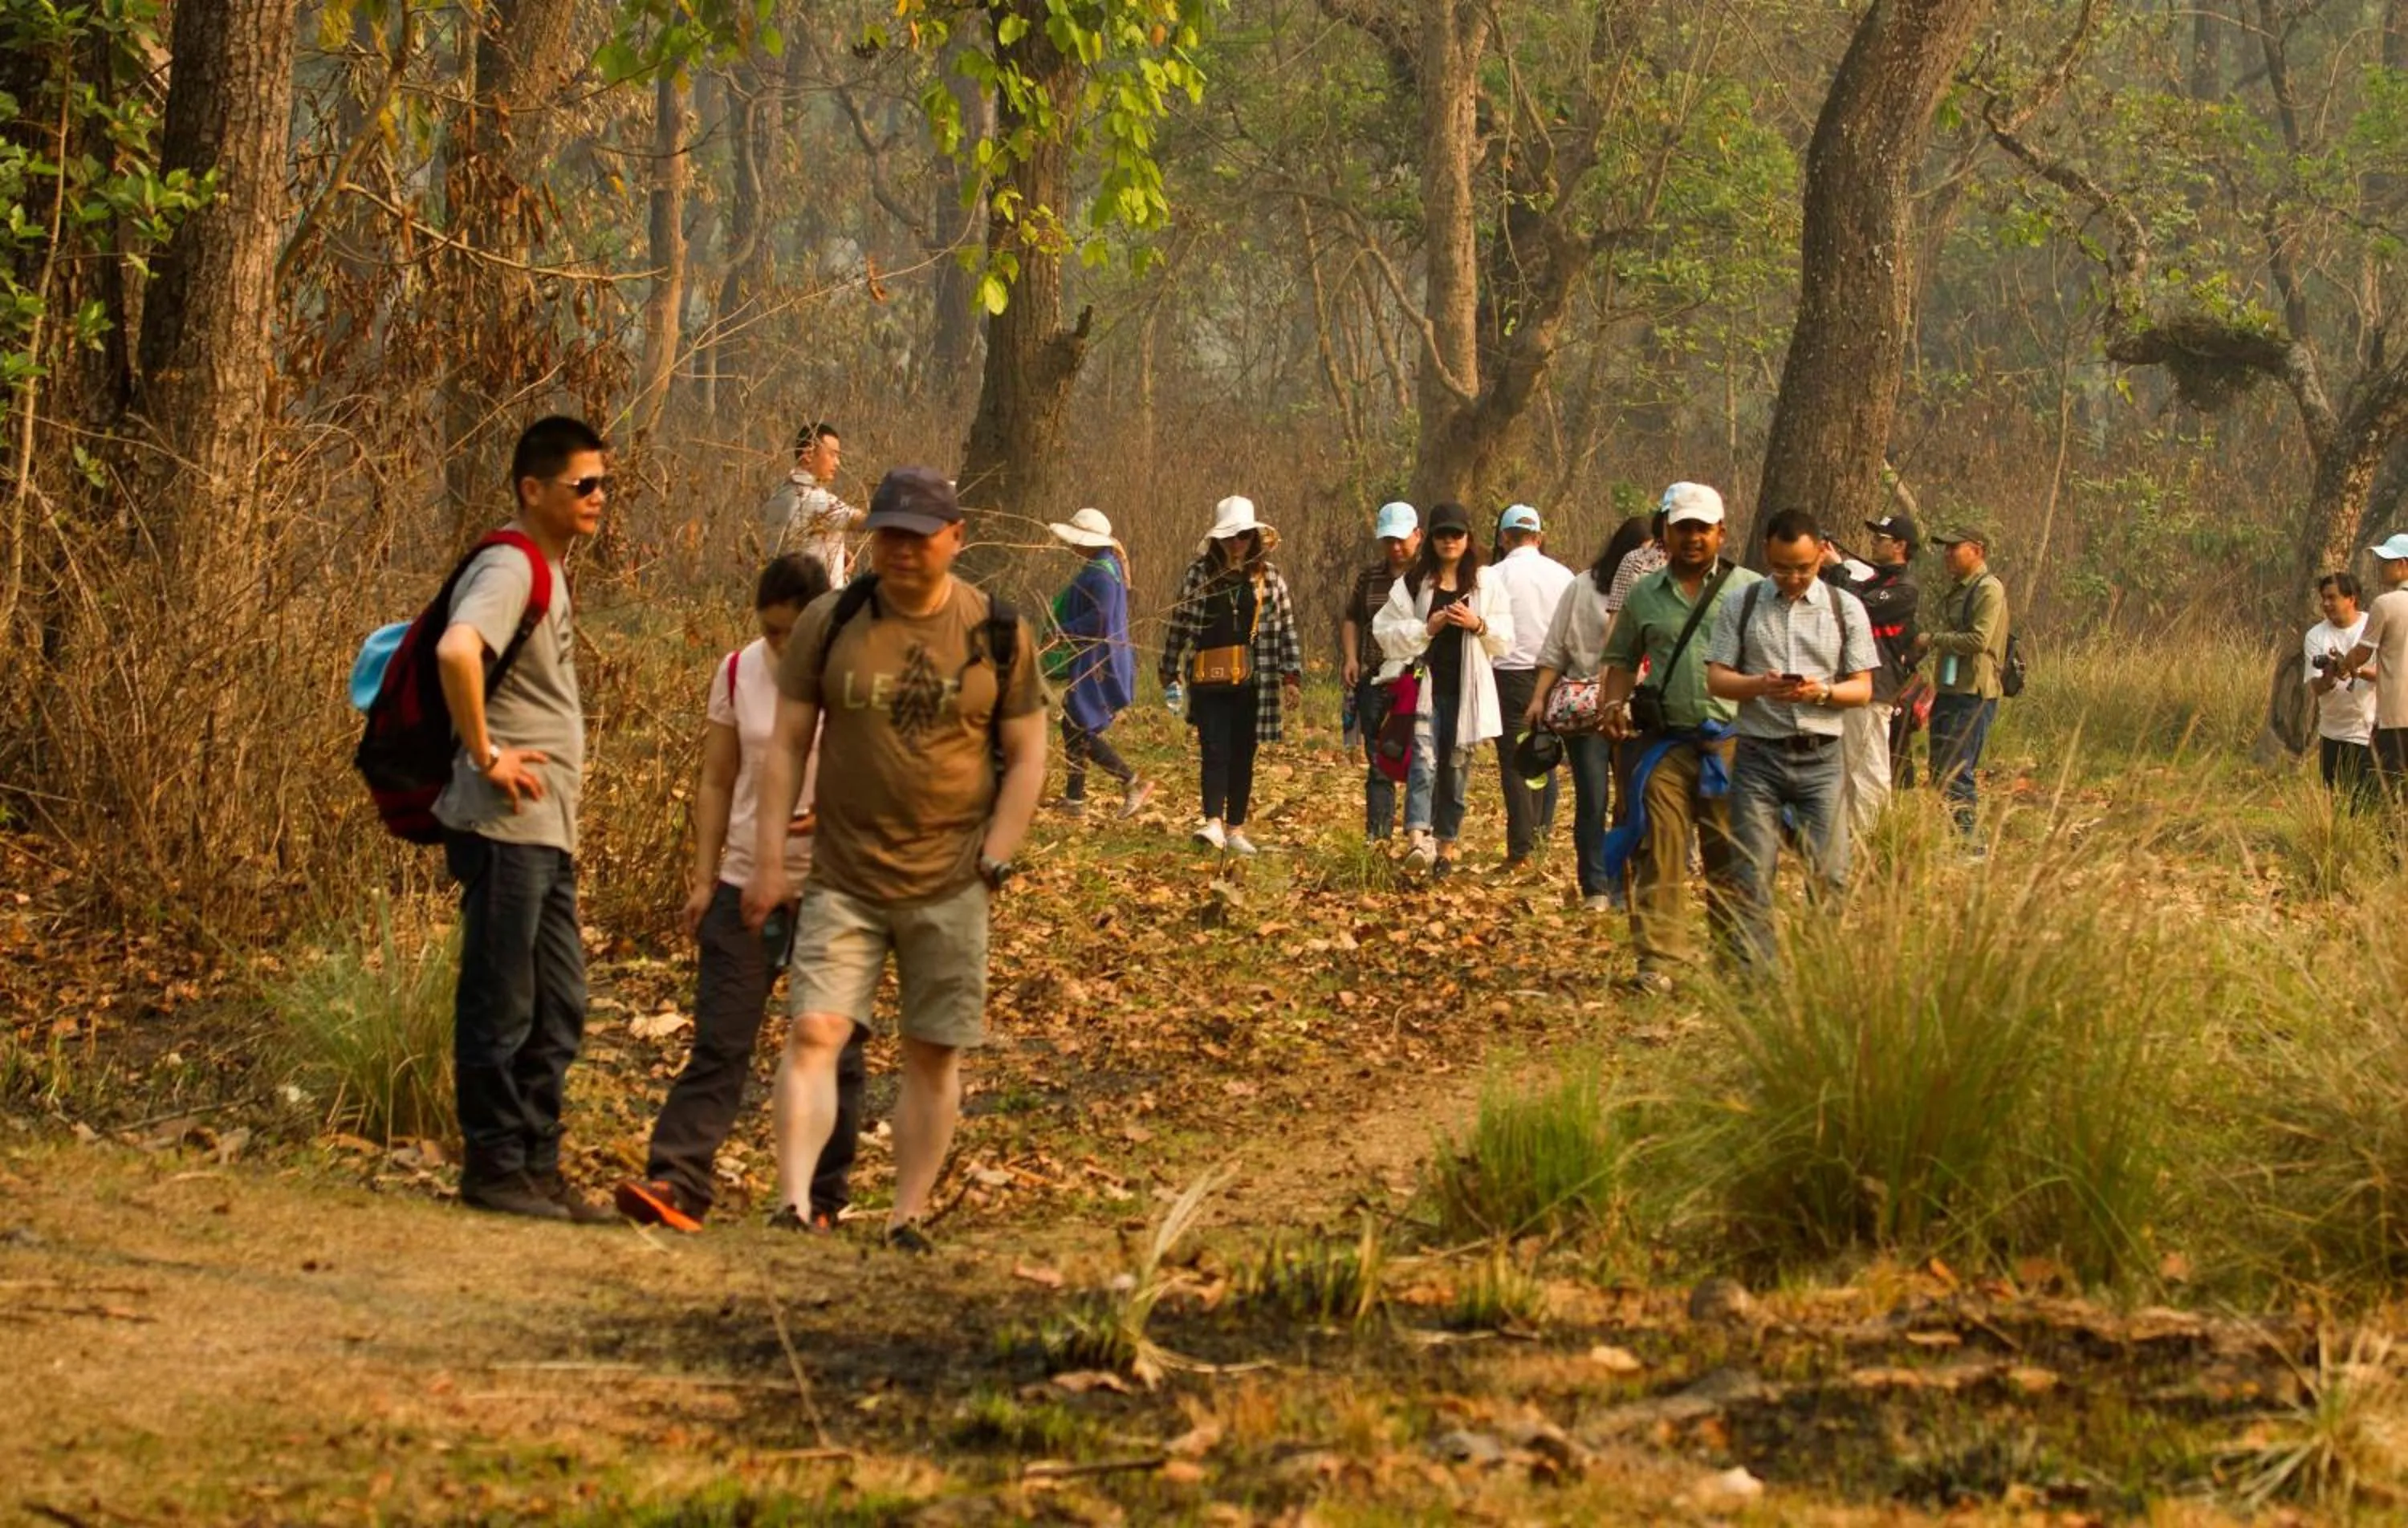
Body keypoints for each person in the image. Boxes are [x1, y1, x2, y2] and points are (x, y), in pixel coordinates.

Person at [742, 468, 1047, 1251]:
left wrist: (996, 858)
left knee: (931, 1047)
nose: (900, 548)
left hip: (951, 878)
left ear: (957, 536)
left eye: (917, 535)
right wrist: (771, 862)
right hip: (843, 871)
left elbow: (1029, 752)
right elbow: (785, 746)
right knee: (814, 1027)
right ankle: (793, 1201)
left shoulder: (999, 630)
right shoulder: (830, 619)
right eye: (887, 533)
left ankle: (906, 1214)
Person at [617, 555, 869, 1233]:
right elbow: (717, 779)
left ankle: (821, 1198)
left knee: (833, 1046)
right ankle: (678, 1177)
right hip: (743, 880)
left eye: (795, 631)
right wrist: (703, 880)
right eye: (771, 631)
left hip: (833, 884)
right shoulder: (737, 671)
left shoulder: (856, 675)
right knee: (722, 1038)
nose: (782, 645)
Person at [433, 415, 611, 1221]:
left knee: (559, 1001)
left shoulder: (547, 568)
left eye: (603, 483)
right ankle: (495, 1166)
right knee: (503, 1002)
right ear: (532, 489)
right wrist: (484, 754)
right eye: (583, 485)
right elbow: (455, 650)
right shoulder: (510, 564)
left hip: (546, 832)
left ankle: (537, 1165)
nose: (598, 497)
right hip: (506, 828)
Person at [1597, 482, 1761, 994]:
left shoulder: (1752, 590)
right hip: (1665, 743)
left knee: (1729, 854)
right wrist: (1611, 704)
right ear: (1665, 532)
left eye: (1702, 529)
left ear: (1721, 533)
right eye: (1682, 527)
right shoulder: (1644, 593)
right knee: (1661, 845)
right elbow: (1621, 660)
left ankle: (1737, 961)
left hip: (1733, 744)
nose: (1692, 538)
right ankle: (1657, 963)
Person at [1707, 510, 1877, 968]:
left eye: (1804, 567)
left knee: (1832, 875)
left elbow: (1862, 689)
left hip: (1822, 760)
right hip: (1758, 758)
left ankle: (1821, 972)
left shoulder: (1846, 609)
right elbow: (1718, 679)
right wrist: (1760, 686)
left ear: (1822, 553)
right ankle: (1755, 983)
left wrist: (1821, 691)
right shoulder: (1741, 604)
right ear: (1767, 552)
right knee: (1751, 875)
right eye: (1783, 568)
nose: (1794, 577)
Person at [1373, 501, 1515, 877]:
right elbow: (1384, 630)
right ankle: (1418, 839)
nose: (1449, 541)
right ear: (1431, 539)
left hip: (1467, 690)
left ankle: (1447, 846)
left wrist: (1477, 623)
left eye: (1457, 534)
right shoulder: (1414, 584)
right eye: (1442, 534)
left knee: (1455, 770)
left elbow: (1506, 637)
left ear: (1468, 538)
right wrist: (1427, 628)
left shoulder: (1486, 582)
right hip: (1426, 689)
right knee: (1423, 763)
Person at [1157, 496, 1305, 854]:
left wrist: (1292, 677)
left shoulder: (1269, 577)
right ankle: (1213, 822)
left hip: (1256, 679)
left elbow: (1287, 628)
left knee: (1244, 752)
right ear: (1217, 540)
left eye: (1242, 536)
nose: (1236, 543)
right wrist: (1169, 668)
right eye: (1229, 537)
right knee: (1214, 747)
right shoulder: (1199, 574)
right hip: (1208, 677)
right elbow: (1179, 624)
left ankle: (1236, 828)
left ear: (1254, 538)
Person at [1527, 529, 1625, 910]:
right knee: (1601, 799)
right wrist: (1538, 697)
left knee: (1601, 799)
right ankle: (1601, 885)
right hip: (1592, 710)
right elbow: (1556, 647)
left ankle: (1603, 885)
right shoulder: (1583, 587)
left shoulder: (1584, 585)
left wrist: (1539, 697)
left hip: (1599, 710)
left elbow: (1555, 647)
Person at [1044, 507, 1153, 819]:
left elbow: (1100, 619)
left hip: (1097, 661)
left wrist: (1064, 631)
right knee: (1074, 724)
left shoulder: (1102, 573)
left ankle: (1131, 781)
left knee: (1077, 724)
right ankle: (1075, 800)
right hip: (1095, 658)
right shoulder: (1106, 566)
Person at [1820, 512, 1921, 838]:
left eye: (1882, 538)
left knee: (1871, 769)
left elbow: (1859, 605)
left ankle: (1875, 838)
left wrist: (1836, 568)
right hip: (1854, 684)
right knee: (1848, 768)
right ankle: (1852, 837)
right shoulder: (1875, 580)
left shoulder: (1904, 589)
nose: (1874, 541)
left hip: (1876, 688)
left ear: (1901, 546)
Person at [1488, 504, 1576, 868]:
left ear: (1504, 538)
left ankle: (1520, 847)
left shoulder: (1492, 575)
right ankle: (1540, 836)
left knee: (1514, 758)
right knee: (1544, 753)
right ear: (1538, 537)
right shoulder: (1564, 575)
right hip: (1554, 672)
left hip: (1510, 673)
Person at [1916, 520, 2011, 839]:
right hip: (1951, 688)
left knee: (1957, 770)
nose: (1948, 554)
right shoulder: (1961, 589)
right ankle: (1951, 838)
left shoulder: (1988, 588)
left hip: (1973, 692)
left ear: (1977, 551)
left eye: (1954, 548)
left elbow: (1979, 640)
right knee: (1940, 769)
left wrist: (1933, 639)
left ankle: (1970, 844)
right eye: (1946, 548)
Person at [1342, 502, 1421, 842]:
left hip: (1416, 679)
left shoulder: (1429, 578)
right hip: (1376, 679)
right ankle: (1379, 835)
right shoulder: (1369, 577)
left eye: (1402, 539)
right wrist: (1350, 658)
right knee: (1379, 761)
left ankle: (1422, 835)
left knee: (1422, 759)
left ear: (1418, 536)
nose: (1396, 547)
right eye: (1389, 540)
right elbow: (1351, 618)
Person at [2331, 534, 2408, 794]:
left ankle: (2381, 834)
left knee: (2376, 789)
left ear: (2403, 565)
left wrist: (2342, 666)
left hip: (2396, 716)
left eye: (2386, 561)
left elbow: (2362, 654)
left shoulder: (2386, 604)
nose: (2380, 566)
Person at [2304, 570, 2379, 807]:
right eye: (2323, 598)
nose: (2326, 604)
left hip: (2370, 733)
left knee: (2365, 804)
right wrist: (2329, 678)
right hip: (2332, 732)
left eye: (2332, 597)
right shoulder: (2316, 635)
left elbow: (2390, 674)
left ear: (2351, 598)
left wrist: (2354, 669)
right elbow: (2315, 686)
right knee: (2334, 802)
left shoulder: (2372, 626)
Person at [762, 422, 864, 585]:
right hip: (819, 605)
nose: (837, 463)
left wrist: (836, 552)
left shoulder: (779, 497)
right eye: (832, 454)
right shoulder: (815, 499)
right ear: (809, 455)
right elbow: (865, 522)